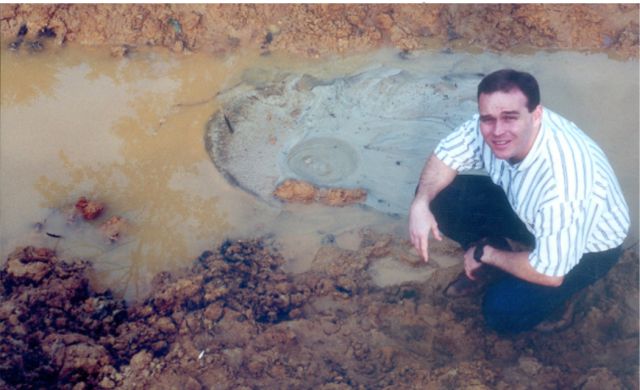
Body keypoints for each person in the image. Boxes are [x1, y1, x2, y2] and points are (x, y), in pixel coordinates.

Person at [409, 69, 630, 333]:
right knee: (438, 197)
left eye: (510, 118)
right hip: (528, 209)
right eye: (487, 119)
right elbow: (446, 156)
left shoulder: (562, 185)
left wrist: (485, 254)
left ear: (536, 115)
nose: (497, 131)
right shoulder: (490, 127)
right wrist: (420, 204)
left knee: (501, 313)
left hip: (587, 248)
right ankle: (500, 254)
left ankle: (558, 294)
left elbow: (550, 273)